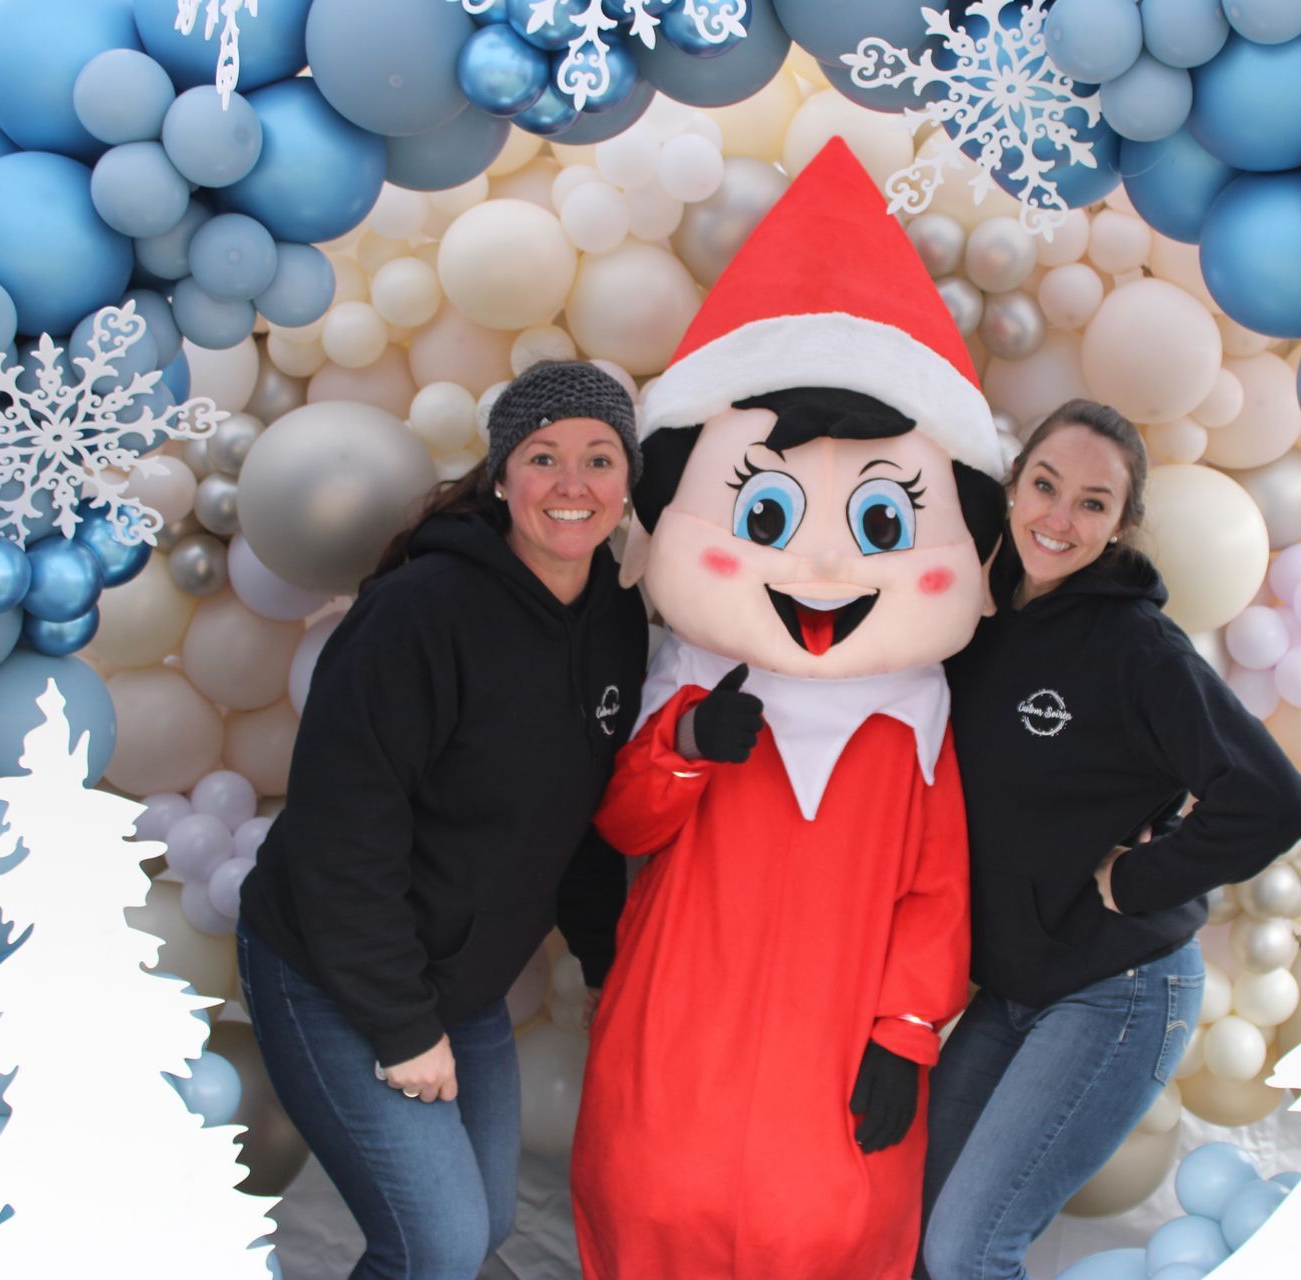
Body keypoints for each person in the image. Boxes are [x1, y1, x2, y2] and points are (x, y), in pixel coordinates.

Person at [569, 139, 1007, 1280]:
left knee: (824, 1223)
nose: (817, 566)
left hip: (838, 1035)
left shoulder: (915, 714)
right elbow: (621, 824)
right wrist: (686, 749)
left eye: (878, 524)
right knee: (654, 1191)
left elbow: (938, 887)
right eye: (761, 514)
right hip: (679, 1024)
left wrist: (904, 1035)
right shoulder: (678, 678)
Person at [235, 361, 648, 1280]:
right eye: (543, 458)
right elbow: (345, 837)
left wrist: (607, 964)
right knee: (436, 1245)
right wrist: (399, 1028)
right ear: (502, 475)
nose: (573, 485)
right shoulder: (420, 614)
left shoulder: (616, 618)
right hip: (333, 969)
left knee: (488, 1221)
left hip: (458, 980)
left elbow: (580, 815)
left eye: (599, 458)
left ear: (629, 483)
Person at [919, 399, 1301, 1280]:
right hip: (1017, 987)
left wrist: (1138, 881)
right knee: (912, 1222)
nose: (1058, 520)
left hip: (1118, 989)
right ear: (1013, 487)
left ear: (1121, 527)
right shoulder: (977, 629)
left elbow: (1274, 801)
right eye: (1046, 487)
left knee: (968, 1251)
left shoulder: (1140, 649)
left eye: (1092, 504)